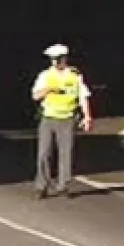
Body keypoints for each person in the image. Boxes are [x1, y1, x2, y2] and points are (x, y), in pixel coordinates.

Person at [31, 43, 92, 199]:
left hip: (67, 118)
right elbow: (35, 96)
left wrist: (87, 116)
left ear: (65, 59)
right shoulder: (45, 75)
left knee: (66, 153)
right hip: (48, 117)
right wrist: (49, 89)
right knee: (44, 153)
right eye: (53, 60)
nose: (55, 62)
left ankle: (63, 186)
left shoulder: (75, 75)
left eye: (58, 59)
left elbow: (83, 96)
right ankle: (41, 186)